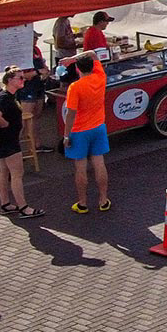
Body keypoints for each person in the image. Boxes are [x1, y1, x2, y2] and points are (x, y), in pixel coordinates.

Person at [63, 53, 111, 214]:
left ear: (77, 69)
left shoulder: (75, 87)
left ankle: (82, 203)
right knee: (99, 163)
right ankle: (103, 200)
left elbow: (71, 113)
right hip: (98, 127)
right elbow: (92, 53)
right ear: (93, 66)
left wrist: (66, 135)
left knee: (81, 168)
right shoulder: (100, 76)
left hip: (79, 131)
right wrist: (72, 58)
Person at [0, 69, 40, 219]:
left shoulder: (4, 93)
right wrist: (5, 125)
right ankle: (24, 207)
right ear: (10, 80)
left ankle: (5, 204)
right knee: (17, 173)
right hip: (7, 139)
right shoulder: (5, 97)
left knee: (3, 169)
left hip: (0, 138)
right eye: (20, 78)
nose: (23, 80)